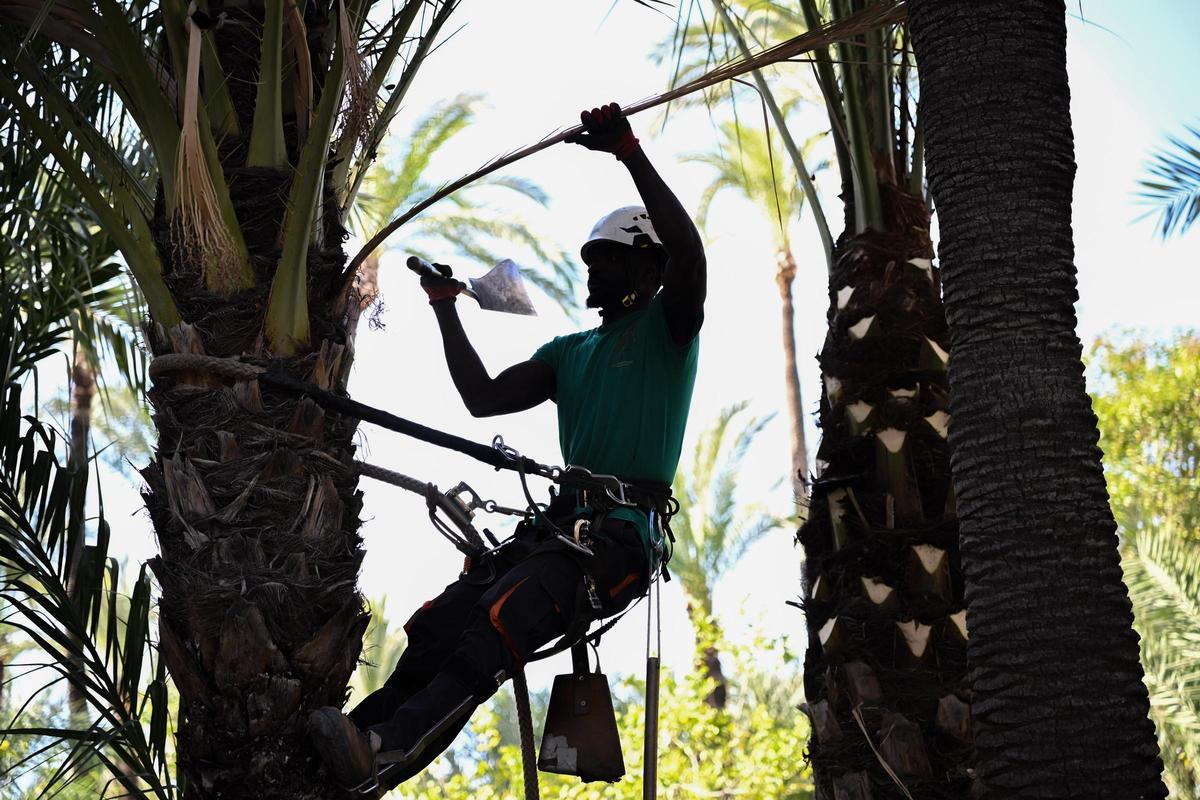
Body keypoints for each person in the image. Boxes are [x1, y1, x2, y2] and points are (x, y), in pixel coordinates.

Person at [307, 102, 707, 797]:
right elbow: (484, 398)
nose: (590, 271)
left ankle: (383, 751)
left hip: (614, 541)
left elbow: (691, 255)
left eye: (606, 260)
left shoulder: (669, 330)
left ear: (646, 265)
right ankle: (356, 741)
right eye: (590, 259)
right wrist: (444, 308)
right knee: (438, 628)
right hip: (555, 532)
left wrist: (628, 150)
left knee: (499, 624)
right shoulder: (570, 352)